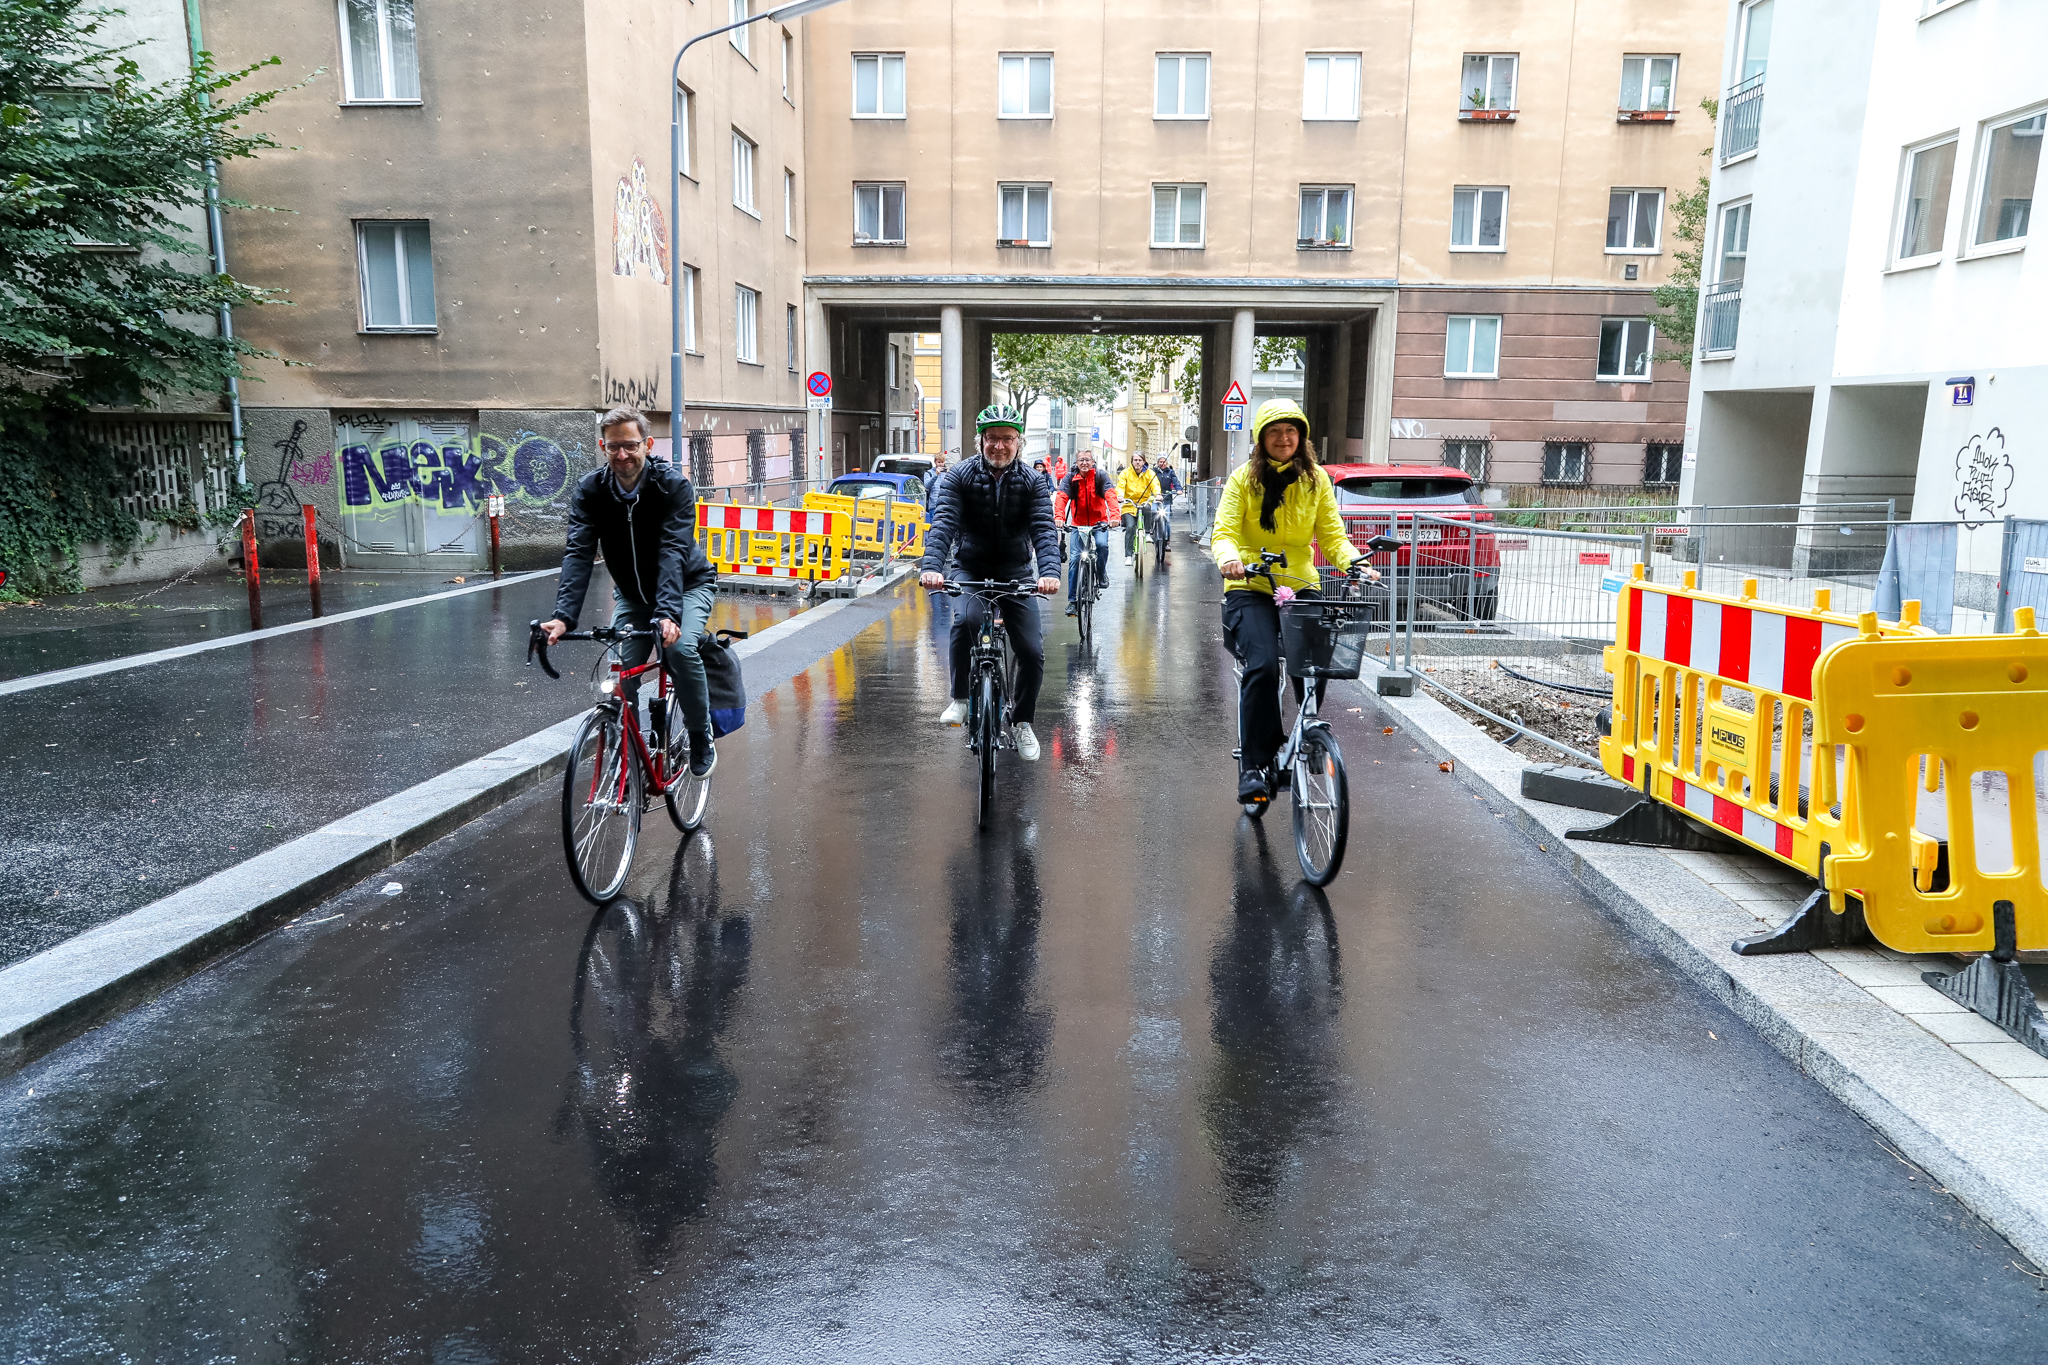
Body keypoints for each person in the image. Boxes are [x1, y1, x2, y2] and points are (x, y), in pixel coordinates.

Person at [1211, 398, 1380, 806]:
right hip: (1250, 584)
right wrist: (1230, 559)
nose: (1283, 438)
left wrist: (1356, 564)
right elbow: (1224, 531)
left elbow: (1333, 536)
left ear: (1301, 437)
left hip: (1300, 582)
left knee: (1317, 662)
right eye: (1274, 431)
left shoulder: (1316, 480)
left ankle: (1307, 734)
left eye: (1291, 431)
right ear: (1261, 440)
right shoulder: (1242, 481)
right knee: (1264, 665)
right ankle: (1255, 765)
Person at [541, 406, 721, 777]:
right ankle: (629, 748)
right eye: (613, 447)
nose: (621, 455)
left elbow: (673, 551)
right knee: (621, 674)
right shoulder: (591, 491)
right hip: (633, 596)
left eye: (629, 445)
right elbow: (578, 552)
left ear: (647, 444)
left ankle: (701, 737)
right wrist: (563, 617)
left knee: (682, 649)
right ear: (602, 447)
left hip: (686, 587)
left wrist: (668, 614)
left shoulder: (672, 486)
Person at [919, 403, 1062, 762]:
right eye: (993, 438)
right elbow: (944, 524)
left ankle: (1023, 722)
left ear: (1019, 443)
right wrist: (933, 566)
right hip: (970, 567)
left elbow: (1044, 530)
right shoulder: (959, 476)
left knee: (1030, 649)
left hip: (1016, 573)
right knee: (965, 621)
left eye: (1008, 439)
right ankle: (962, 699)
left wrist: (1049, 573)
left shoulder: (1032, 481)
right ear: (981, 440)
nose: (1000, 446)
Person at [1052, 448, 1119, 616]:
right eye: (1081, 460)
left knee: (1102, 545)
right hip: (1078, 524)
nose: (1084, 463)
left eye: (1087, 460)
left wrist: (1115, 517)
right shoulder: (1070, 478)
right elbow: (1061, 497)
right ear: (1076, 462)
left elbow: (1111, 496)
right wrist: (1059, 517)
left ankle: (1102, 574)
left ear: (1093, 462)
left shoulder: (1100, 476)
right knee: (1075, 558)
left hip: (1100, 522)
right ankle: (1073, 601)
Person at [1116, 453, 1162, 566]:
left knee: (1147, 508)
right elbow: (1120, 486)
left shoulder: (1150, 474)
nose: (1137, 462)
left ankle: (1147, 533)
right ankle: (1128, 556)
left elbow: (1155, 485)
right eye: (1135, 460)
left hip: (1143, 502)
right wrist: (1120, 496)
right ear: (1132, 461)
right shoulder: (1125, 473)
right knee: (1130, 527)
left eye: (1139, 460)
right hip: (1129, 505)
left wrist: (1157, 494)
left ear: (1143, 461)